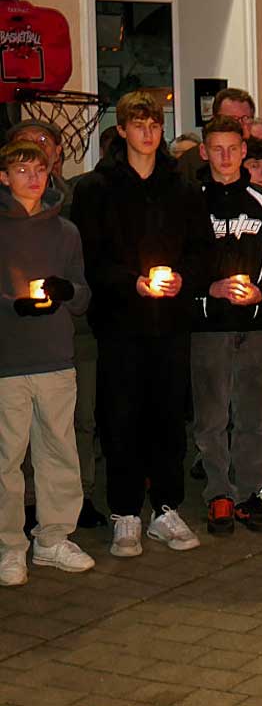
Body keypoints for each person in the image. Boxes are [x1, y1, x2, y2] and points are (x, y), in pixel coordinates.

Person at [72, 91, 213, 557]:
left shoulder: (184, 188)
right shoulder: (96, 189)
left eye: (154, 123)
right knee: (121, 417)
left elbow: (200, 252)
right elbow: (90, 259)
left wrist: (183, 280)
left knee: (168, 417)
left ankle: (166, 509)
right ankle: (126, 512)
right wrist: (130, 283)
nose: (148, 132)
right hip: (120, 324)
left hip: (170, 323)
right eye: (139, 123)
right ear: (124, 130)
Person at [190, 117, 262, 534]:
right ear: (204, 152)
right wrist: (209, 289)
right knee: (212, 414)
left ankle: (249, 492)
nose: (224, 157)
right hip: (208, 326)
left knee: (254, 413)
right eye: (215, 149)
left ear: (243, 151)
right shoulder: (190, 204)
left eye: (231, 149)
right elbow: (177, 263)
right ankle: (218, 491)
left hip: (257, 324)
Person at [0, 141, 95, 586]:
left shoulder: (66, 232)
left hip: (56, 359)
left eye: (40, 169)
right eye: (22, 170)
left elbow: (82, 295)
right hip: (9, 361)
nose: (33, 178)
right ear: (5, 177)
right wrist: (13, 304)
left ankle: (54, 539)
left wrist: (67, 292)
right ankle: (9, 547)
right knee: (6, 459)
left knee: (59, 451)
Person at [177, 88, 262, 236]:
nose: (240, 125)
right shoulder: (192, 161)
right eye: (232, 119)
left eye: (245, 119)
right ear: (215, 118)